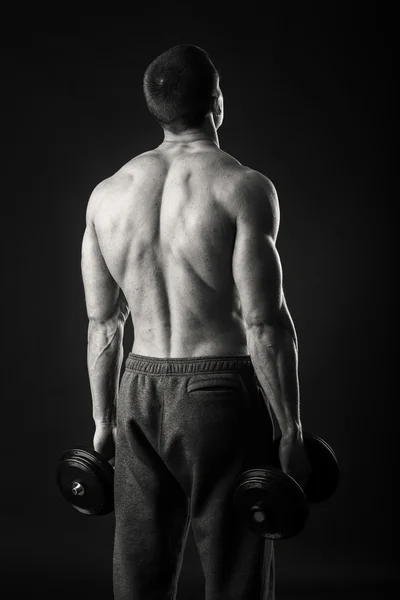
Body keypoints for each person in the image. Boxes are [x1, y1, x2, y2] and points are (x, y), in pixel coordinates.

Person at [81, 44, 311, 600]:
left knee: (138, 579)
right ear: (217, 102)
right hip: (219, 395)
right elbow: (264, 323)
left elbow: (103, 325)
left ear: (157, 108)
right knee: (236, 573)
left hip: (137, 390)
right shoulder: (243, 187)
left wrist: (105, 423)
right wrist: (290, 430)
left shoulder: (107, 196)